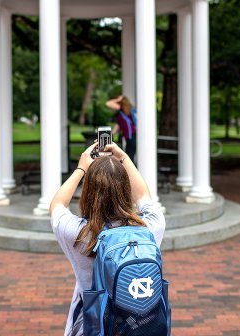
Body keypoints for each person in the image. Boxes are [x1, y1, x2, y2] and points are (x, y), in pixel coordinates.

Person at [49, 142, 166, 336]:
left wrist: (81, 168)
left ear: (88, 192)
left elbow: (57, 205)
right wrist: (124, 159)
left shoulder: (80, 234)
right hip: (140, 327)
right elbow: (144, 195)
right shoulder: (149, 227)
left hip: (93, 327)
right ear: (125, 188)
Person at [105, 95, 137, 163]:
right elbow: (117, 127)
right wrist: (110, 134)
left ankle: (129, 172)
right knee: (128, 156)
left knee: (128, 157)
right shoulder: (123, 113)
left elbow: (108, 103)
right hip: (131, 137)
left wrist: (117, 100)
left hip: (132, 136)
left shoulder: (121, 109)